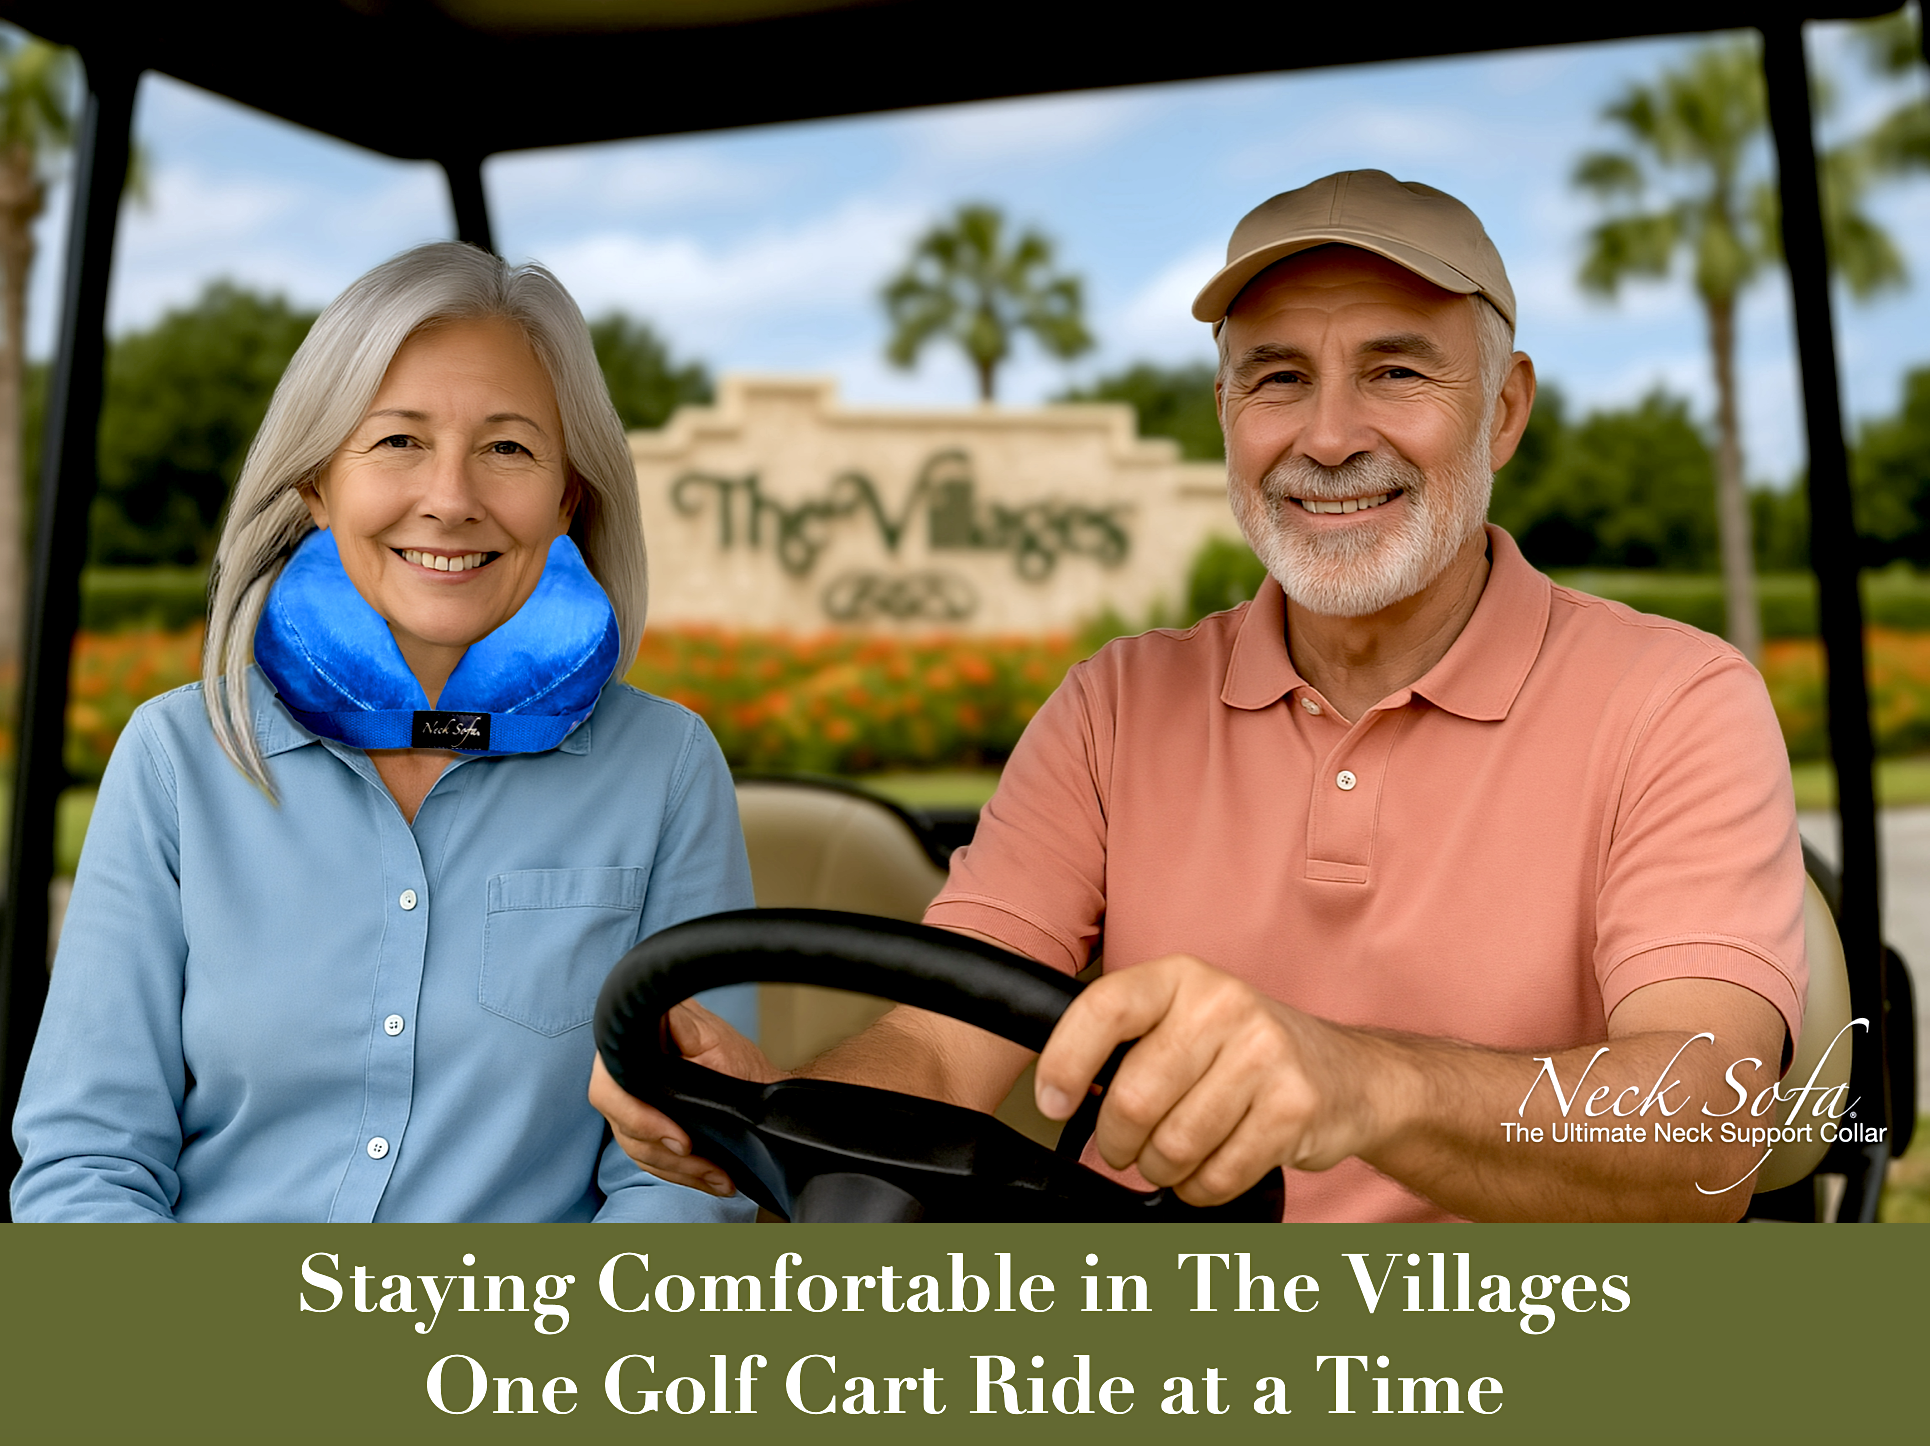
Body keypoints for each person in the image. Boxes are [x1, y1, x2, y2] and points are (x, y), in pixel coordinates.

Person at [592, 171, 1807, 1222]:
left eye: (1395, 370)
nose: (1327, 437)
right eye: (1276, 378)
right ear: (1226, 413)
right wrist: (767, 1107)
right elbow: (937, 1041)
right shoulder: (1116, 705)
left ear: (1503, 408)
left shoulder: (1674, 700)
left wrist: (1360, 1082)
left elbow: (1708, 1130)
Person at [13, 242, 756, 1223]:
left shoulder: (663, 770)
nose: (450, 500)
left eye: (508, 449)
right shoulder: (175, 759)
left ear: (567, 497)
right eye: (398, 440)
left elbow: (679, 1178)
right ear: (317, 484)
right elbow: (88, 1161)